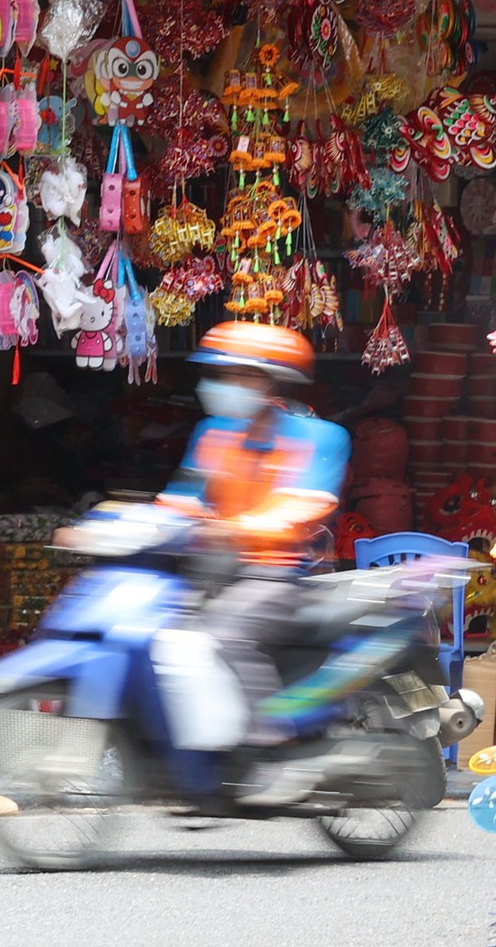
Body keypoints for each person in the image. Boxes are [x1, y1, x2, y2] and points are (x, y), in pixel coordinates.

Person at [151, 321, 349, 803]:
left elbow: (305, 504)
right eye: (215, 374)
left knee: (226, 635)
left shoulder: (319, 437)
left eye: (232, 375)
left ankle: (273, 746)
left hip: (276, 573)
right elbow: (182, 497)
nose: (215, 386)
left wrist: (236, 527)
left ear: (266, 382)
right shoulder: (212, 433)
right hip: (213, 571)